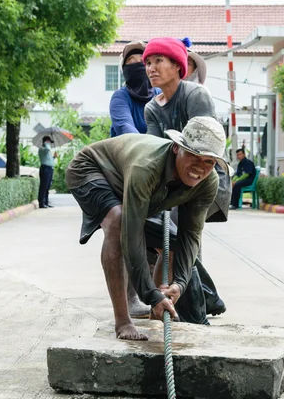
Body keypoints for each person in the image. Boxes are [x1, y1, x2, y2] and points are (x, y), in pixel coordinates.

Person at [65, 116, 228, 341]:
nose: (199, 168)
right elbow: (131, 237)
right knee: (118, 221)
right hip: (91, 169)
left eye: (209, 162)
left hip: (131, 185)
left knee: (171, 245)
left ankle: (158, 312)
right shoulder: (147, 168)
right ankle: (123, 321)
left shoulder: (208, 183)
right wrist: (149, 293)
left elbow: (190, 236)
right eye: (194, 156)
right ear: (176, 148)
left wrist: (179, 284)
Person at [143, 37, 229, 317]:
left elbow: (207, 145)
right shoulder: (152, 108)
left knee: (183, 239)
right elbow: (156, 151)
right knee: (172, 239)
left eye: (158, 61)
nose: (150, 68)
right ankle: (205, 297)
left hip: (205, 177)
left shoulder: (195, 95)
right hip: (175, 182)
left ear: (178, 67)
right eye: (147, 62)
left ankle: (198, 311)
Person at [109, 41, 160, 318]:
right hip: (123, 173)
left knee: (161, 237)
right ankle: (129, 300)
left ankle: (157, 293)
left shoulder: (161, 95)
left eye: (143, 63)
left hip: (156, 173)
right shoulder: (120, 98)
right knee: (128, 233)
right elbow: (127, 130)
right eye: (131, 65)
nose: (138, 69)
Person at [109, 41, 160, 137]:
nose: (138, 64)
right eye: (132, 61)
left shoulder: (160, 95)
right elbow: (125, 128)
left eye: (143, 61)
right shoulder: (120, 97)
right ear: (124, 70)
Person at [38, 136, 56, 209]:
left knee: (47, 186)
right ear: (46, 142)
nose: (50, 144)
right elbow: (47, 149)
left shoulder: (47, 150)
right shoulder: (42, 149)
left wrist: (54, 157)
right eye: (49, 142)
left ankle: (46, 202)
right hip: (45, 168)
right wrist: (46, 143)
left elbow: (49, 160)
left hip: (49, 169)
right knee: (44, 186)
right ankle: (41, 203)